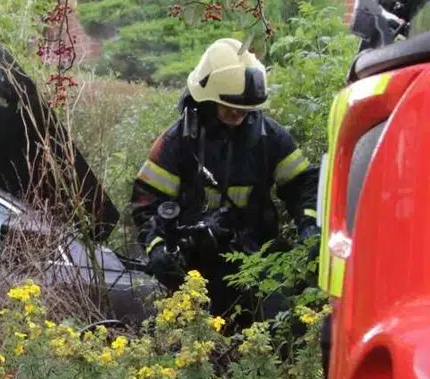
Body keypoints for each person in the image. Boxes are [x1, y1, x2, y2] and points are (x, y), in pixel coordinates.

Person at [130, 38, 320, 327]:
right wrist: (157, 248)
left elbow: (303, 184)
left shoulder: (269, 137)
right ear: (206, 98)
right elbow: (147, 203)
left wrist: (309, 226)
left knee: (278, 329)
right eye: (229, 107)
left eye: (245, 109)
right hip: (194, 269)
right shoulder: (178, 143)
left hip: (257, 262)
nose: (238, 116)